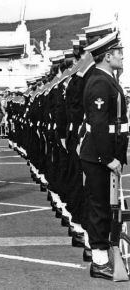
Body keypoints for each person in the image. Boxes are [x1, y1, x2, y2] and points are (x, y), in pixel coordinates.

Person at [80, 31, 127, 280]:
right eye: (118, 52)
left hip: (104, 155)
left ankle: (100, 255)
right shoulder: (100, 82)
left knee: (102, 206)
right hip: (100, 157)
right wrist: (109, 158)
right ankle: (99, 262)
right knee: (100, 207)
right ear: (107, 56)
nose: (122, 55)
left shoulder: (107, 78)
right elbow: (99, 126)